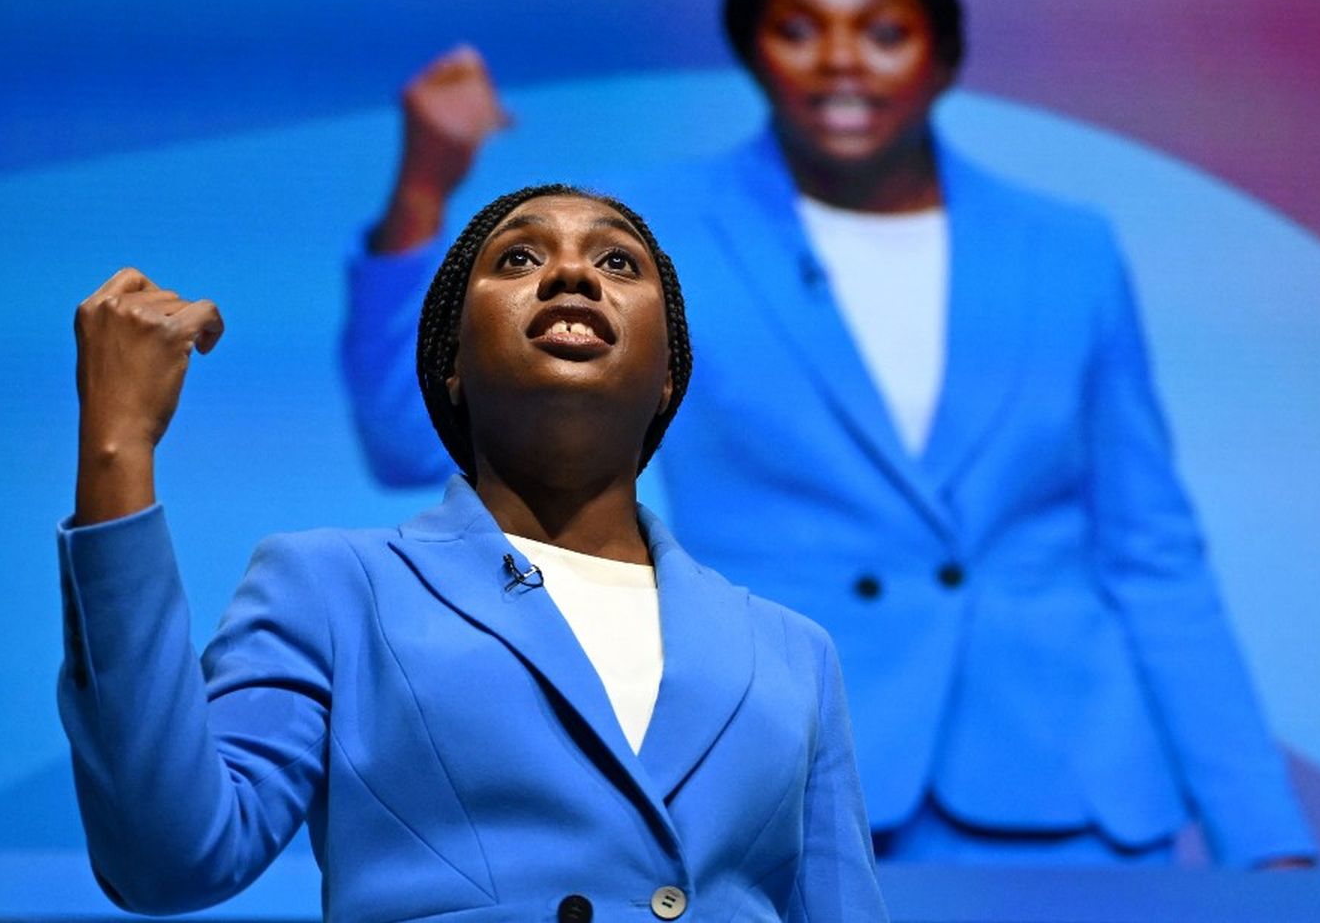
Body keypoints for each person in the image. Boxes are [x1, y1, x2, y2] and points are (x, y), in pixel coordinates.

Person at [341, 0, 1317, 867]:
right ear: (752, 54)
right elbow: (411, 435)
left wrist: (1263, 834)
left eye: (885, 31)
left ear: (945, 58)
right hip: (784, 775)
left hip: (1072, 797)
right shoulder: (648, 233)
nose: (841, 60)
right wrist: (424, 187)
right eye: (799, 28)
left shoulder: (1068, 248)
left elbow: (1153, 552)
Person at [57, 184, 889, 921]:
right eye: (520, 257)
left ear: (669, 374)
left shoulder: (792, 653)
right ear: (450, 363)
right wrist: (117, 445)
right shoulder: (335, 587)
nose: (573, 275)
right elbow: (168, 858)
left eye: (618, 263)